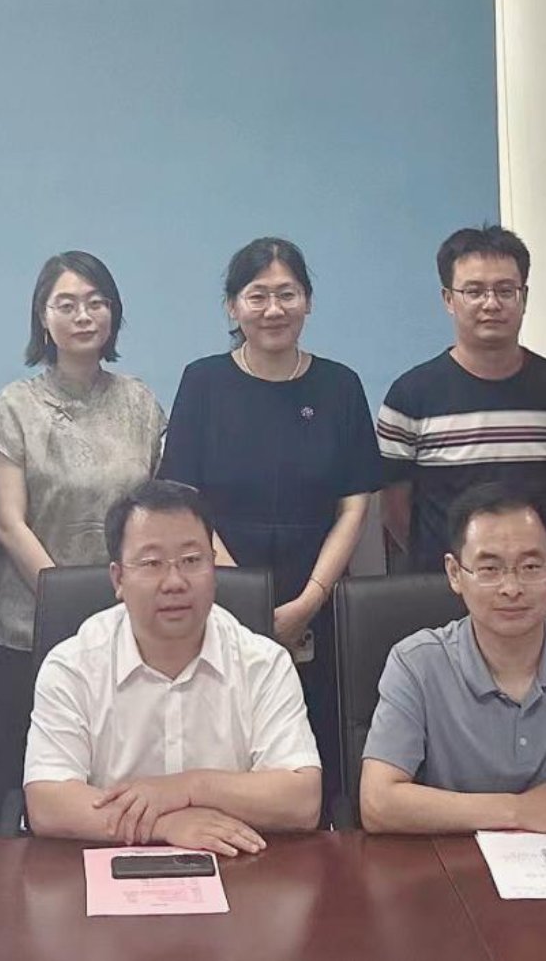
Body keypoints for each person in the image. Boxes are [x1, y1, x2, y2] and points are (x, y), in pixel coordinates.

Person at [159, 237, 381, 806]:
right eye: (257, 296)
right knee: (223, 749)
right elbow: (185, 501)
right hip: (217, 597)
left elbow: (354, 506)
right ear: (233, 307)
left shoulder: (340, 386)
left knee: (313, 767)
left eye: (288, 294)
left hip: (320, 603)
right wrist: (241, 596)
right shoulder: (203, 382)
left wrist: (310, 600)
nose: (274, 309)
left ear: (308, 301)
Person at [23, 480, 321, 852]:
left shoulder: (263, 663)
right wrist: (166, 824)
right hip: (109, 868)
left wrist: (188, 788)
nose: (175, 582)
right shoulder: (73, 666)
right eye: (152, 564)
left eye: (192, 560)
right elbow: (48, 802)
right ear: (118, 578)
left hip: (237, 865)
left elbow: (302, 801)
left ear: (214, 567)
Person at [359, 484, 546, 834]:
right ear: (455, 573)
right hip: (456, 861)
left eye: (530, 566)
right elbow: (378, 802)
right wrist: (520, 811)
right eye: (490, 569)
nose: (512, 588)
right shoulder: (415, 663)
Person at [0, 251, 165, 805]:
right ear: (43, 317)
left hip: (130, 628)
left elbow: (156, 514)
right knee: (34, 793)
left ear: (113, 314)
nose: (83, 316)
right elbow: (9, 524)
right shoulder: (14, 407)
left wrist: (115, 610)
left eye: (96, 302)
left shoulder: (140, 403)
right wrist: (71, 606)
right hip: (32, 630)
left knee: (119, 789)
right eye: (66, 304)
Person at [378, 225, 546, 573]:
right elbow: (394, 510)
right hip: (443, 584)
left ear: (524, 297)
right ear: (448, 299)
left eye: (505, 290)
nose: (491, 304)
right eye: (474, 291)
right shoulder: (410, 396)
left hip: (540, 585)